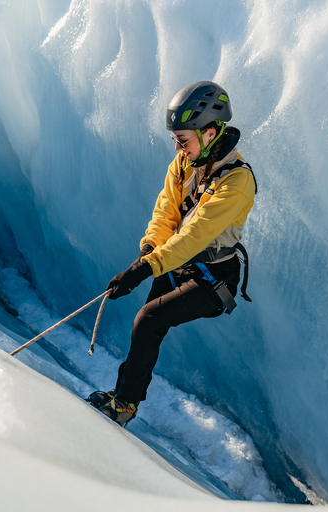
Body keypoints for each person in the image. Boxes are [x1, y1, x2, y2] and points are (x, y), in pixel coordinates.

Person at [87, 81, 258, 426]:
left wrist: (145, 268)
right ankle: (122, 396)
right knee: (148, 324)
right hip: (175, 263)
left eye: (184, 139)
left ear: (209, 132)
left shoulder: (237, 182)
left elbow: (195, 236)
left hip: (213, 279)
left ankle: (124, 406)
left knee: (149, 319)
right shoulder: (184, 164)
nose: (178, 147)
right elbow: (166, 213)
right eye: (176, 140)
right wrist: (149, 250)